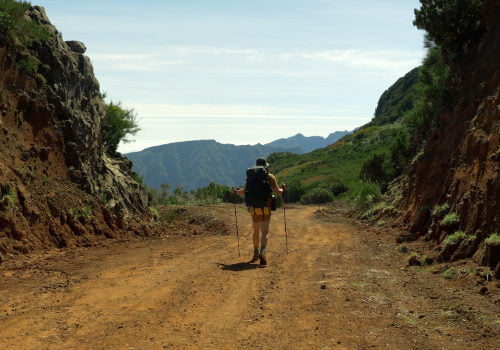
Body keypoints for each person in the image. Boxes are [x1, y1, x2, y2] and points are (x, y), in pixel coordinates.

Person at [232, 157, 286, 265]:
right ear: (266, 166)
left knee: (255, 230)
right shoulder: (269, 176)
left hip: (254, 208)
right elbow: (278, 192)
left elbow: (243, 191)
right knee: (264, 231)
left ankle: (255, 253)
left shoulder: (250, 177)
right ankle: (263, 251)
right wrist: (283, 189)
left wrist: (235, 191)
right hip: (266, 207)